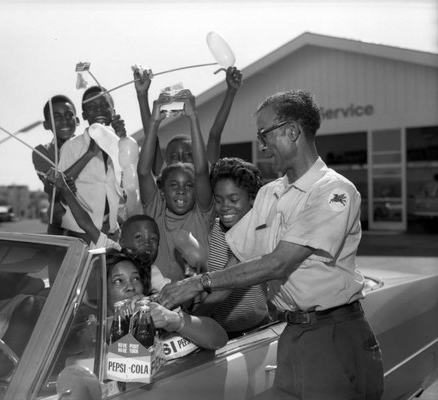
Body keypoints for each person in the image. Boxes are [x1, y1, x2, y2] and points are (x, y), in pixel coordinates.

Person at [160, 90, 384, 399]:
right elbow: (237, 264)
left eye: (265, 135)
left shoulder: (333, 191)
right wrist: (185, 319)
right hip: (292, 333)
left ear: (292, 131)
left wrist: (200, 282)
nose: (262, 146)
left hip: (332, 333)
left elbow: (278, 262)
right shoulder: (270, 194)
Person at [137, 90, 214, 282]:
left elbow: (202, 170)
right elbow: (143, 172)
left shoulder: (202, 214)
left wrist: (193, 117)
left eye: (189, 185)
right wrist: (154, 122)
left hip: (198, 302)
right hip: (159, 300)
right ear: (161, 191)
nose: (181, 190)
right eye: (173, 185)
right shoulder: (157, 211)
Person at [192, 157, 269, 338]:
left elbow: (221, 292)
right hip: (219, 333)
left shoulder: (260, 231)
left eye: (234, 199)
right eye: (218, 200)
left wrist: (187, 324)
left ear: (252, 199)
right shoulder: (211, 231)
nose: (225, 207)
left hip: (258, 330)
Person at [106, 249, 227, 351]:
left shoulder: (161, 309)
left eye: (136, 279)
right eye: (118, 281)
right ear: (102, 291)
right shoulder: (97, 331)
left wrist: (175, 321)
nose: (131, 287)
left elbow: (219, 339)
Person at [133, 66, 242, 168]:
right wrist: (142, 94)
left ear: (199, 156)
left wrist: (231, 91)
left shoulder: (205, 173)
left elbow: (215, 134)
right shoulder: (162, 177)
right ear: (165, 161)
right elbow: (151, 138)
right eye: (174, 156)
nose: (181, 160)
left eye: (189, 155)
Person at [58, 87, 126, 243]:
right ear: (84, 115)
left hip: (111, 230)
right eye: (91, 107)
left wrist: (122, 138)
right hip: (79, 232)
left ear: (113, 111)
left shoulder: (121, 144)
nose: (99, 110)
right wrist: (90, 153)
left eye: (104, 105)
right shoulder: (72, 146)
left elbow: (132, 177)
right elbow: (61, 187)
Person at [32, 95, 99, 235]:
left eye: (69, 115)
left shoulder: (92, 144)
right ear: (47, 124)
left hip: (92, 226)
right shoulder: (42, 151)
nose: (64, 121)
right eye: (57, 117)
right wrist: (89, 154)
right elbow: (53, 187)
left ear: (78, 120)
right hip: (60, 229)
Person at [119, 214, 171, 294]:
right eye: (138, 237)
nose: (147, 243)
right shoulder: (113, 267)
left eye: (153, 239)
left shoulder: (153, 273)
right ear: (122, 242)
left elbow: (169, 292)